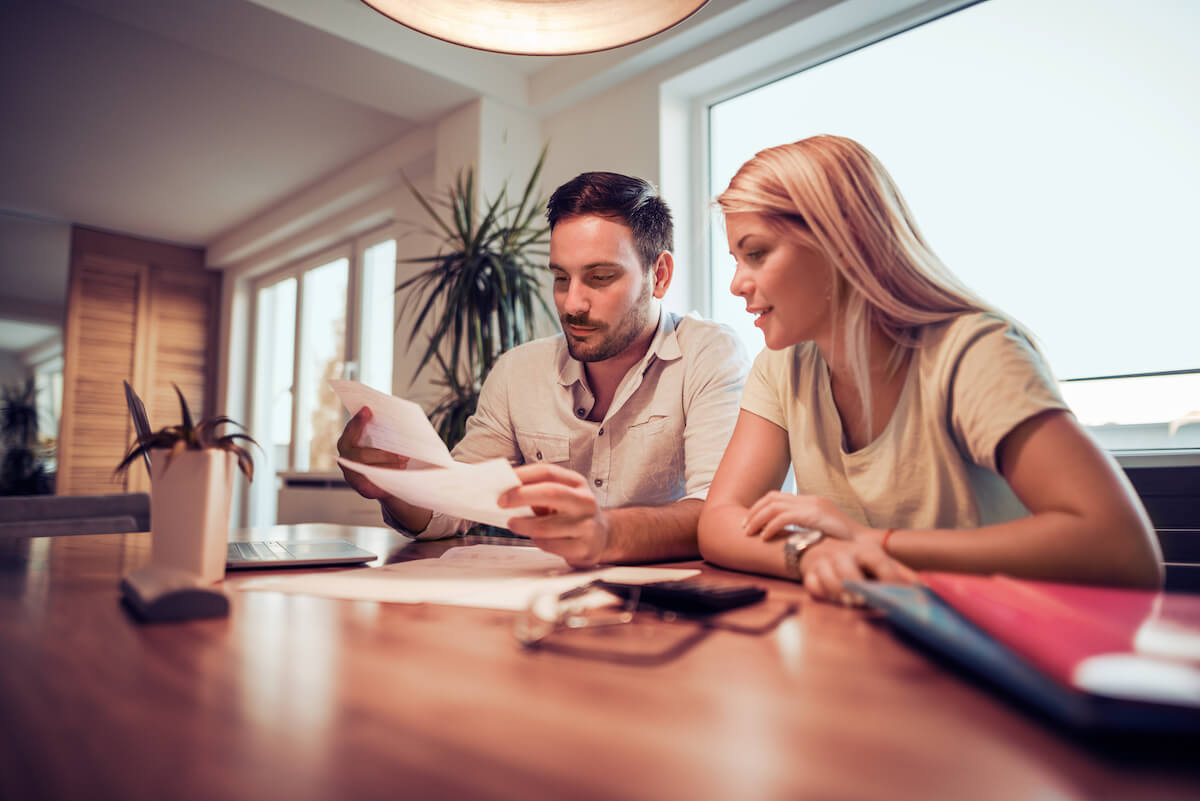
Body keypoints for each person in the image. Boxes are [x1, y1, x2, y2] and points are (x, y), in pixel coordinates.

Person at [697, 135, 1163, 605]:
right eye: (736, 260)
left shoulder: (973, 352)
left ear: (842, 240)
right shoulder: (781, 365)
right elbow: (718, 520)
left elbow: (1121, 548)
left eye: (756, 253)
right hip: (882, 641)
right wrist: (809, 551)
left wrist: (871, 543)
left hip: (1005, 642)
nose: (738, 284)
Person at [339, 172, 748, 567]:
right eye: (560, 277)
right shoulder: (518, 372)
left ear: (659, 276)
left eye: (600, 277)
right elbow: (450, 511)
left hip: (673, 611)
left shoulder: (709, 355)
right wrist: (392, 488)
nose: (572, 304)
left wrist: (606, 532)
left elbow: (720, 512)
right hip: (544, 605)